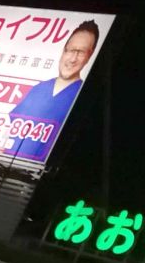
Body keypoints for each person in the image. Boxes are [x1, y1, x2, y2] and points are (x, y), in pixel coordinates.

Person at [5, 21, 101, 162]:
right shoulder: (38, 89)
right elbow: (8, 132)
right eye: (71, 50)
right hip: (3, 168)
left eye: (81, 52)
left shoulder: (83, 97)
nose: (73, 59)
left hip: (39, 176)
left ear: (89, 56)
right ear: (64, 50)